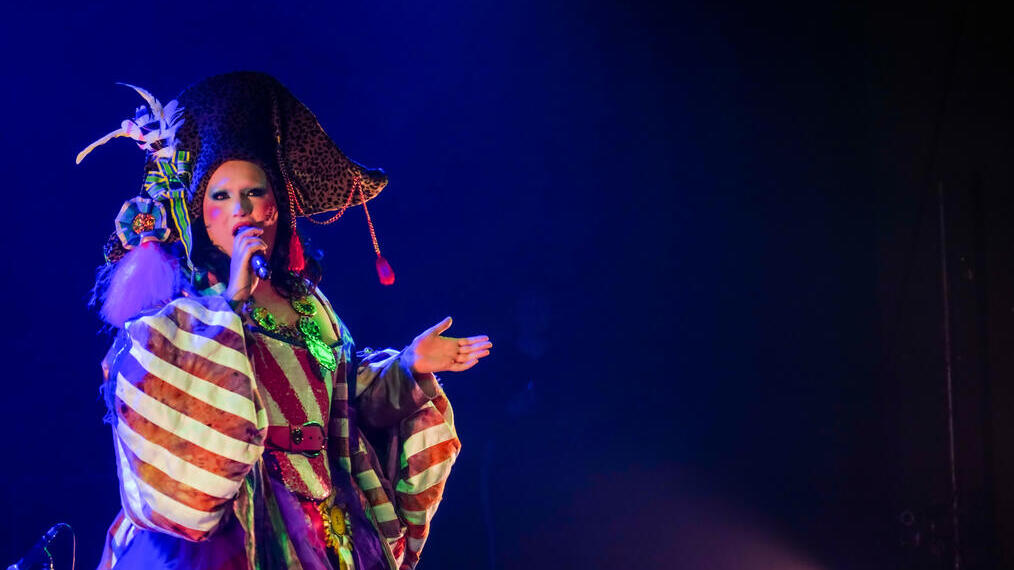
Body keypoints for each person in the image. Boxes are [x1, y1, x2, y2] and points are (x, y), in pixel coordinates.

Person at [81, 72, 490, 570]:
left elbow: (349, 404)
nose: (242, 210)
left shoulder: (310, 304)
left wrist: (408, 367)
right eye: (221, 196)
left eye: (254, 192)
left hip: (330, 520)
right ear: (201, 216)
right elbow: (163, 408)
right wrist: (230, 302)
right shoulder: (186, 308)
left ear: (277, 208)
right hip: (239, 525)